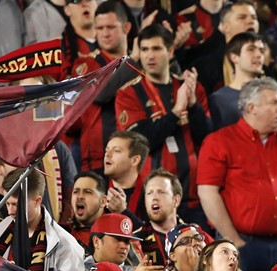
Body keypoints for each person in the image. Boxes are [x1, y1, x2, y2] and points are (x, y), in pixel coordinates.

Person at [198, 77, 277, 271]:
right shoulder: (219, 142)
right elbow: (207, 193)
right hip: (242, 244)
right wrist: (233, 240)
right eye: (274, 103)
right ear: (251, 107)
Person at [115, 23, 213, 225]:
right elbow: (141, 142)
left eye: (157, 49)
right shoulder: (128, 93)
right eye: (145, 49)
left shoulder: (190, 88)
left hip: (193, 194)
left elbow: (207, 139)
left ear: (170, 51)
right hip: (152, 197)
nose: (150, 56)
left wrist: (193, 105)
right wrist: (176, 112)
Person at [0, 166, 86, 271]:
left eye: (16, 205)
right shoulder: (0, 233)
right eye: (7, 204)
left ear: (37, 201)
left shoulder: (66, 245)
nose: (10, 211)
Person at [65, 2, 132, 170]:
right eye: (100, 28)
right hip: (97, 157)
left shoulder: (140, 62)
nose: (105, 34)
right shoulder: (88, 64)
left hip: (134, 155)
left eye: (110, 27)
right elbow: (100, 93)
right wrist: (135, 63)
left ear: (127, 28)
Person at [209, 32, 277, 142]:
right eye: (251, 49)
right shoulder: (218, 100)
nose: (258, 55)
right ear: (234, 57)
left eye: (261, 51)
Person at [102, 130, 152, 224]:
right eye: (107, 150)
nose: (107, 155)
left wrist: (124, 212)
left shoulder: (150, 195)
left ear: (135, 160)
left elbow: (152, 236)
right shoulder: (96, 188)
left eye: (116, 151)